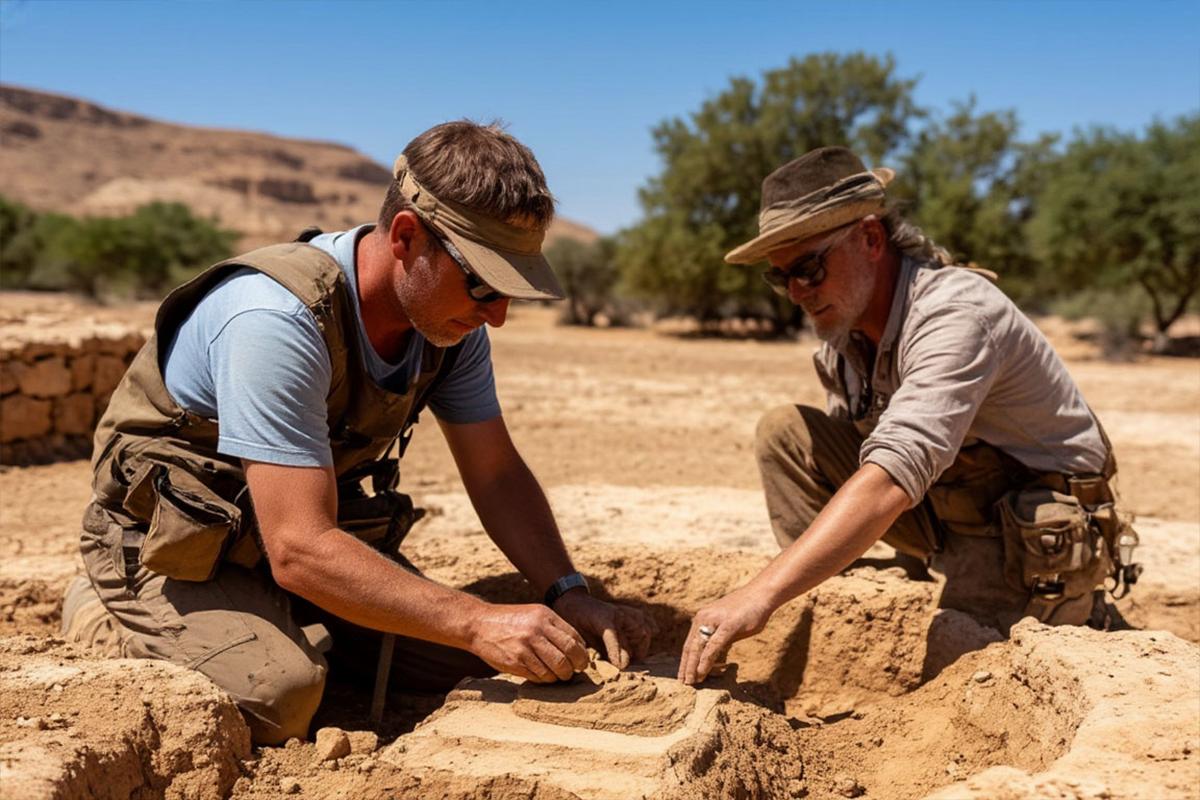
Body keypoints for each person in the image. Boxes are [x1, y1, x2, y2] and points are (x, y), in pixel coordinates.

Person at [61, 120, 652, 744]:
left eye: (510, 291)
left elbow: (497, 473)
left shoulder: (451, 330)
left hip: (288, 535)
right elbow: (299, 547)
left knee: (478, 661)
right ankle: (107, 614)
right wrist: (476, 620)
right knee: (281, 697)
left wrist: (566, 592)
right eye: (482, 284)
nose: (497, 317)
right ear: (406, 237)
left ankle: (280, 623)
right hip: (171, 544)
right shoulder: (276, 320)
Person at [678, 146, 1140, 685]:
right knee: (786, 432)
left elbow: (894, 472)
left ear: (871, 239)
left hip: (1031, 531)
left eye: (809, 268)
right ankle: (850, 583)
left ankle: (1077, 609)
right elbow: (863, 454)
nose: (798, 294)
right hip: (948, 507)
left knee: (963, 679)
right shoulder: (843, 337)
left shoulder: (957, 315)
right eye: (782, 279)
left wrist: (760, 594)